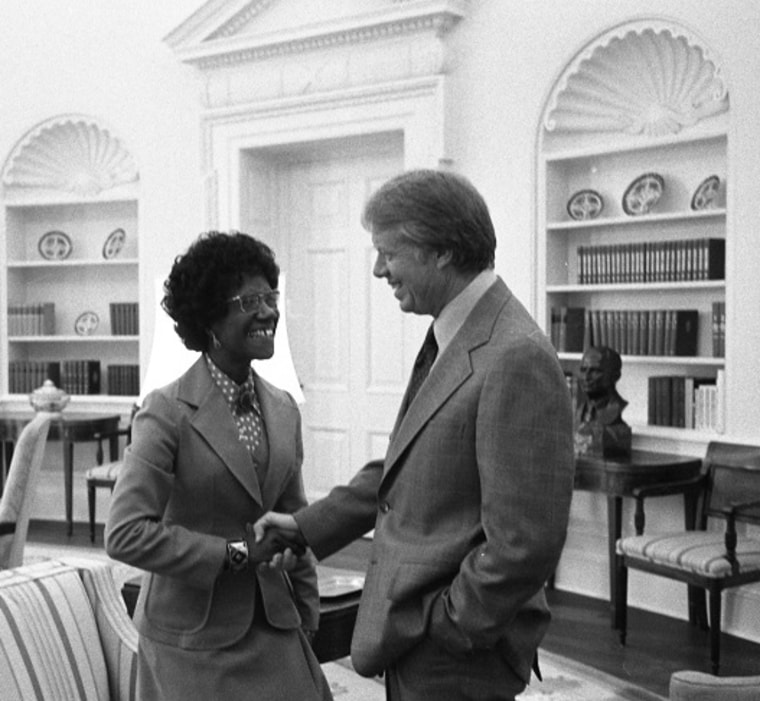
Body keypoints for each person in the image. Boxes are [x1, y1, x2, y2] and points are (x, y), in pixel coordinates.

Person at [255, 169, 576, 700]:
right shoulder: (459, 331)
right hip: (423, 637)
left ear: (442, 251)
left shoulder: (515, 357)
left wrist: (449, 626)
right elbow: (411, 461)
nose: (379, 269)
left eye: (388, 252)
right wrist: (306, 526)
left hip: (454, 654)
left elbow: (525, 542)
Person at [105, 231, 332, 701]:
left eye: (271, 296)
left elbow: (295, 518)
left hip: (274, 625)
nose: (269, 311)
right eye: (250, 299)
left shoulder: (285, 408)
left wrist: (307, 612)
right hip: (191, 639)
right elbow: (125, 532)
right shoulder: (165, 412)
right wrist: (236, 552)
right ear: (210, 315)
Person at [574, 345, 632, 457]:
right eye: (583, 370)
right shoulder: (578, 412)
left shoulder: (615, 413)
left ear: (615, 376)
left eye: (595, 371)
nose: (586, 377)